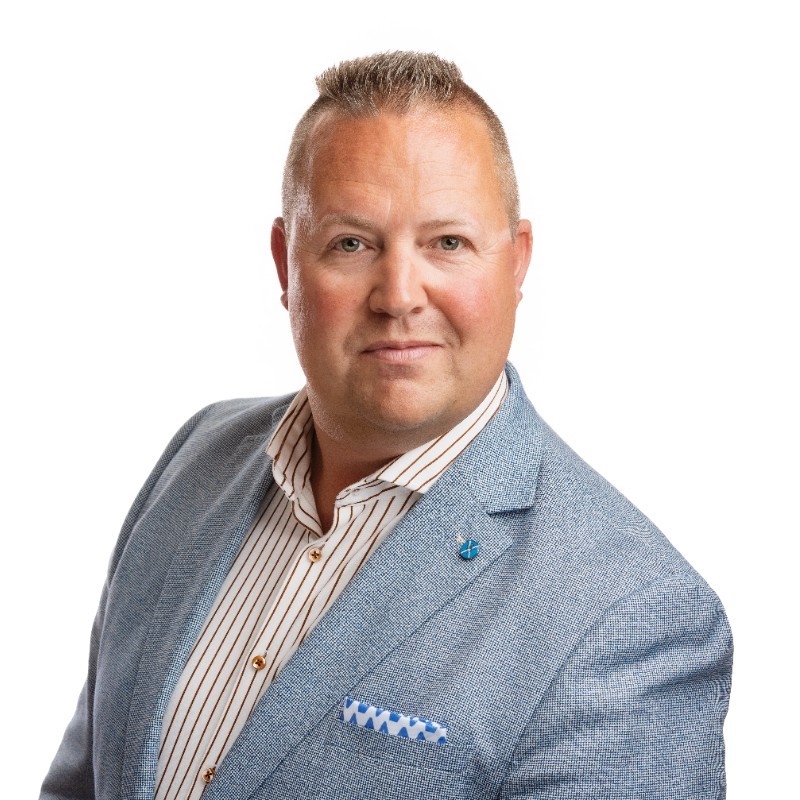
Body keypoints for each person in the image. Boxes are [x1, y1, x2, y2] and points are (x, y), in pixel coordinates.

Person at [41, 51, 732, 800]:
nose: (399, 295)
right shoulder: (196, 458)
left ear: (517, 263)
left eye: (448, 243)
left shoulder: (630, 614)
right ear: (285, 264)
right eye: (352, 243)